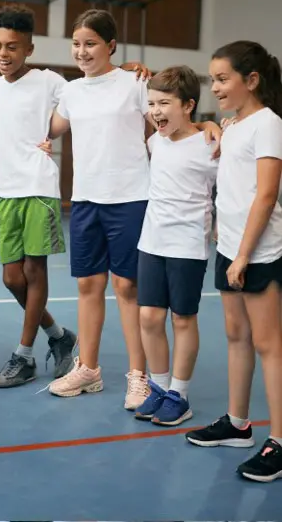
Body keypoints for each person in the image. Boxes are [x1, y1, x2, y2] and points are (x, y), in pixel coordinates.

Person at [47, 9, 221, 409]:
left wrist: (208, 126)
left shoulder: (135, 83)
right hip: (85, 199)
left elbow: (169, 119)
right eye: (76, 44)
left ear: (111, 46)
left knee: (127, 288)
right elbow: (49, 128)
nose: (82, 51)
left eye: (91, 44)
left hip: (130, 198)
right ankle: (88, 368)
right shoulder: (71, 92)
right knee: (88, 286)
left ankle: (139, 376)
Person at [0, 4, 149, 388]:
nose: (3, 53)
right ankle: (65, 343)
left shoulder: (60, 82)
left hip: (59, 189)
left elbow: (110, 88)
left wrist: (128, 67)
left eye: (12, 47)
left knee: (98, 283)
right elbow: (26, 128)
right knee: (19, 279)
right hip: (26, 192)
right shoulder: (3, 90)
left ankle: (29, 355)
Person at [186, 41, 282, 483]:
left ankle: (279, 441)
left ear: (252, 80)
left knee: (269, 344)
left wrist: (244, 253)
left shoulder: (269, 124)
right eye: (213, 80)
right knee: (236, 335)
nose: (216, 87)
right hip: (229, 246)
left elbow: (266, 193)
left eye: (223, 79)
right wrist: (213, 126)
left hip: (259, 251)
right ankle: (238, 424)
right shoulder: (236, 125)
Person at [134, 66, 218, 426]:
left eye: (164, 103)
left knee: (182, 318)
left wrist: (214, 126)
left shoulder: (211, 145)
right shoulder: (155, 142)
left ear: (188, 105)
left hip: (187, 244)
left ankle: (179, 396)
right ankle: (159, 386)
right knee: (149, 317)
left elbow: (229, 186)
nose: (156, 111)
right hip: (152, 241)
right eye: (152, 103)